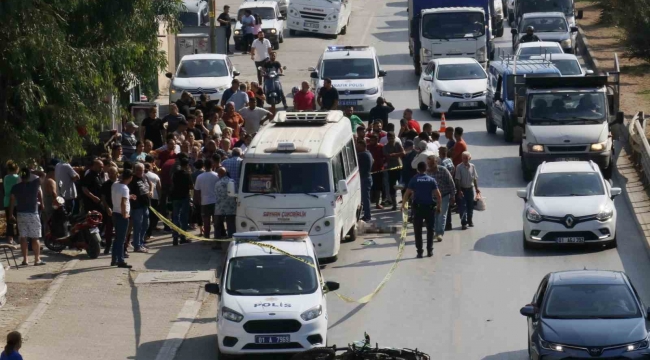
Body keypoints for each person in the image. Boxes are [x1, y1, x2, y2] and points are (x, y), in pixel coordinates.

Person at [402, 162, 442, 258]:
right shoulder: (431, 180)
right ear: (426, 169)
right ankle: (429, 251)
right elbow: (438, 196)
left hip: (418, 209)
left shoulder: (414, 179)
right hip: (429, 208)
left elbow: (407, 194)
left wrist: (403, 205)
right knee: (430, 230)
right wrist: (439, 207)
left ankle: (419, 252)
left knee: (418, 231)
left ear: (417, 169)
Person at [8, 168, 44, 266]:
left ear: (20, 176)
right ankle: (37, 259)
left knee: (23, 237)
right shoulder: (35, 184)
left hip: (20, 214)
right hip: (33, 214)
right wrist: (33, 171)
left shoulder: (15, 187)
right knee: (35, 237)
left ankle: (25, 260)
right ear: (28, 176)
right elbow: (43, 174)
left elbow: (12, 201)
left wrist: (11, 214)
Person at [425, 155, 455, 241]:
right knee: (434, 216)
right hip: (432, 198)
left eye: (431, 163)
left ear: (436, 162)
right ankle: (435, 232)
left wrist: (453, 196)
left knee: (442, 215)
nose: (430, 165)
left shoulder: (443, 170)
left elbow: (451, 183)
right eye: (428, 164)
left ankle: (440, 233)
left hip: (444, 196)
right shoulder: (427, 172)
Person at [111, 169, 134, 268]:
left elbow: (118, 196)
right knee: (121, 239)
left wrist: (129, 196)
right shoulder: (125, 188)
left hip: (115, 212)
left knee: (117, 238)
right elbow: (123, 202)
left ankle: (114, 259)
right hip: (122, 214)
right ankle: (121, 260)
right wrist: (125, 213)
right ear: (130, 178)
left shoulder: (115, 184)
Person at [129, 163, 152, 252]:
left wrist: (151, 191)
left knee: (146, 224)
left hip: (146, 204)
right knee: (137, 226)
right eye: (138, 169)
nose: (139, 171)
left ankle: (140, 242)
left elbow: (150, 184)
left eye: (141, 170)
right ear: (134, 170)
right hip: (137, 206)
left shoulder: (145, 177)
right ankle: (137, 245)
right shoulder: (132, 179)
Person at [194, 158, 220, 239]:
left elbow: (197, 191)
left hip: (204, 202)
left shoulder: (199, 177)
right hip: (215, 201)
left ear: (204, 166)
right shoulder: (216, 175)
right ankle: (217, 237)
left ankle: (206, 237)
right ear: (212, 165)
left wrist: (198, 201)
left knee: (206, 221)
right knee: (216, 222)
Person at [170, 157, 193, 246]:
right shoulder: (188, 174)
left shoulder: (175, 174)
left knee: (175, 217)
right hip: (184, 197)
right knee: (184, 217)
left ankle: (175, 237)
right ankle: (183, 237)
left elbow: (172, 183)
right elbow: (191, 186)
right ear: (187, 165)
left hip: (175, 197)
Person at [455, 151, 480, 230]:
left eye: (467, 158)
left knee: (470, 206)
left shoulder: (472, 166)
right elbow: (457, 180)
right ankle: (463, 223)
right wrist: (459, 190)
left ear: (469, 158)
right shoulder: (459, 167)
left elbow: (475, 178)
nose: (465, 160)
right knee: (462, 207)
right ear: (462, 158)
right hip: (462, 189)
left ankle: (470, 220)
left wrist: (476, 188)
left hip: (470, 189)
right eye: (464, 158)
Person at [383, 132, 405, 211]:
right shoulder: (385, 146)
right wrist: (396, 155)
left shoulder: (398, 144)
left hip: (399, 167)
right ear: (387, 138)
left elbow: (403, 153)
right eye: (389, 138)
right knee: (392, 186)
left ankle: (404, 204)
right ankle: (394, 204)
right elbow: (387, 156)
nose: (391, 140)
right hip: (391, 168)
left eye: (392, 138)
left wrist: (394, 154)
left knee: (402, 186)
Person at [214, 166, 237, 239]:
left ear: (219, 174)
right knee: (231, 226)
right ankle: (231, 241)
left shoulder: (217, 183)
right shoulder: (232, 181)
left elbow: (216, 195)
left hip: (219, 208)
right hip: (231, 207)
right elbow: (236, 193)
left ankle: (218, 243)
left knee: (218, 226)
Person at [101, 166, 118, 255]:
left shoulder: (120, 183)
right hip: (110, 209)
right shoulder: (106, 184)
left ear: (117, 173)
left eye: (113, 173)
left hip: (119, 209)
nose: (111, 174)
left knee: (120, 229)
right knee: (109, 229)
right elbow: (103, 198)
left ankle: (120, 248)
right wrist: (107, 207)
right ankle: (107, 246)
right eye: (109, 173)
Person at [356, 141, 374, 221]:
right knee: (364, 198)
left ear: (363, 146)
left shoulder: (362, 155)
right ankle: (366, 214)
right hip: (367, 177)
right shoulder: (368, 153)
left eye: (358, 146)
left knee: (365, 198)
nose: (357, 147)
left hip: (364, 179)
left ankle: (367, 215)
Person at [367, 134, 385, 209]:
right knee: (369, 188)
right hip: (369, 170)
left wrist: (383, 164)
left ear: (377, 140)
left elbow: (385, 157)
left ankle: (377, 203)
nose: (372, 141)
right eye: (371, 140)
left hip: (378, 170)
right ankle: (368, 204)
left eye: (373, 140)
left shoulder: (381, 147)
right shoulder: (367, 147)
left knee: (378, 188)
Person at [3, 160, 19, 245]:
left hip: (7, 201)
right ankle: (20, 237)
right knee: (19, 220)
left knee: (9, 220)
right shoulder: (18, 177)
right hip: (17, 201)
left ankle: (10, 238)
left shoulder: (6, 177)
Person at [144, 163, 161, 239]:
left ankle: (144, 233)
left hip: (144, 198)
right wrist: (160, 197)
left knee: (145, 216)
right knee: (152, 217)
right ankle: (148, 233)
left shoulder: (141, 175)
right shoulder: (155, 176)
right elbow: (159, 187)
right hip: (154, 197)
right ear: (150, 168)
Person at [42, 165, 57, 237]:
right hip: (50, 204)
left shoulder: (43, 180)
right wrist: (58, 203)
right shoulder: (51, 181)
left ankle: (47, 237)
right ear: (51, 172)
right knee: (52, 221)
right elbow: (54, 193)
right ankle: (52, 237)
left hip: (44, 204)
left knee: (46, 222)